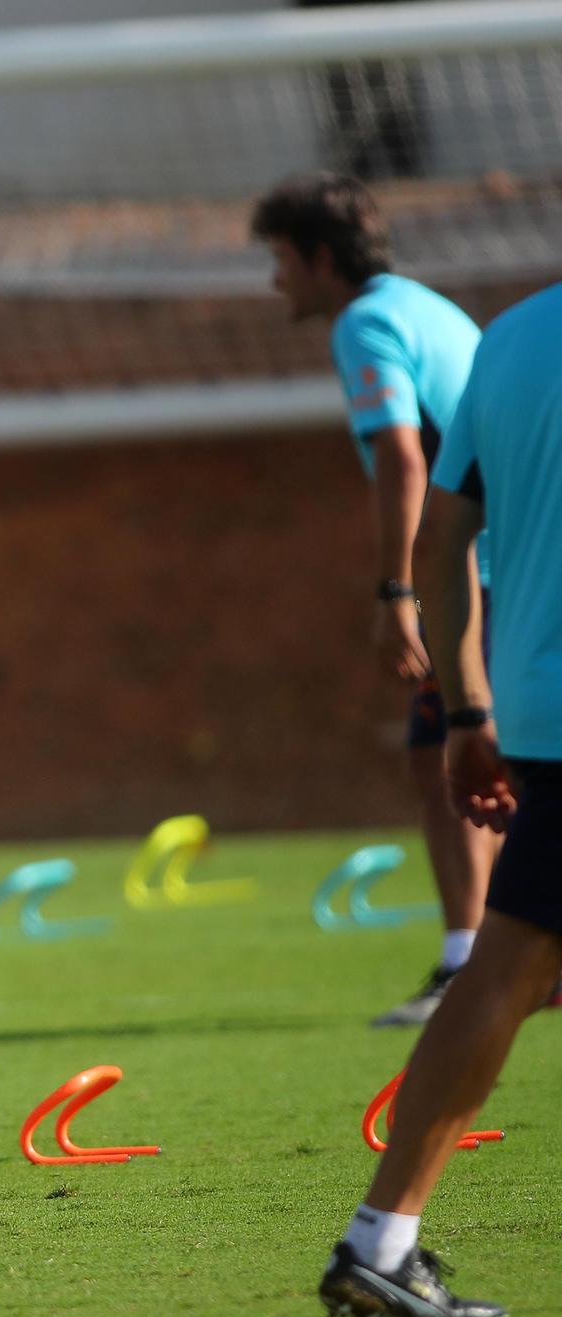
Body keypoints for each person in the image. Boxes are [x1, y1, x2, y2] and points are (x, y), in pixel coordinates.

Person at [318, 279, 562, 1317]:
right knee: (506, 972)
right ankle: (378, 1239)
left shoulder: (508, 341)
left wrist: (468, 713)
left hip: (535, 708)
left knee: (507, 969)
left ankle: (380, 1242)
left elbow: (445, 537)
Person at [254, 173, 499, 1026]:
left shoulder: (365, 321)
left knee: (452, 754)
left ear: (322, 259)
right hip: (517, 551)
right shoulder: (424, 306)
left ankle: (474, 964)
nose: (276, 279)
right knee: (472, 750)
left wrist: (398, 587)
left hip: (481, 567)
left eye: (282, 259)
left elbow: (404, 456)